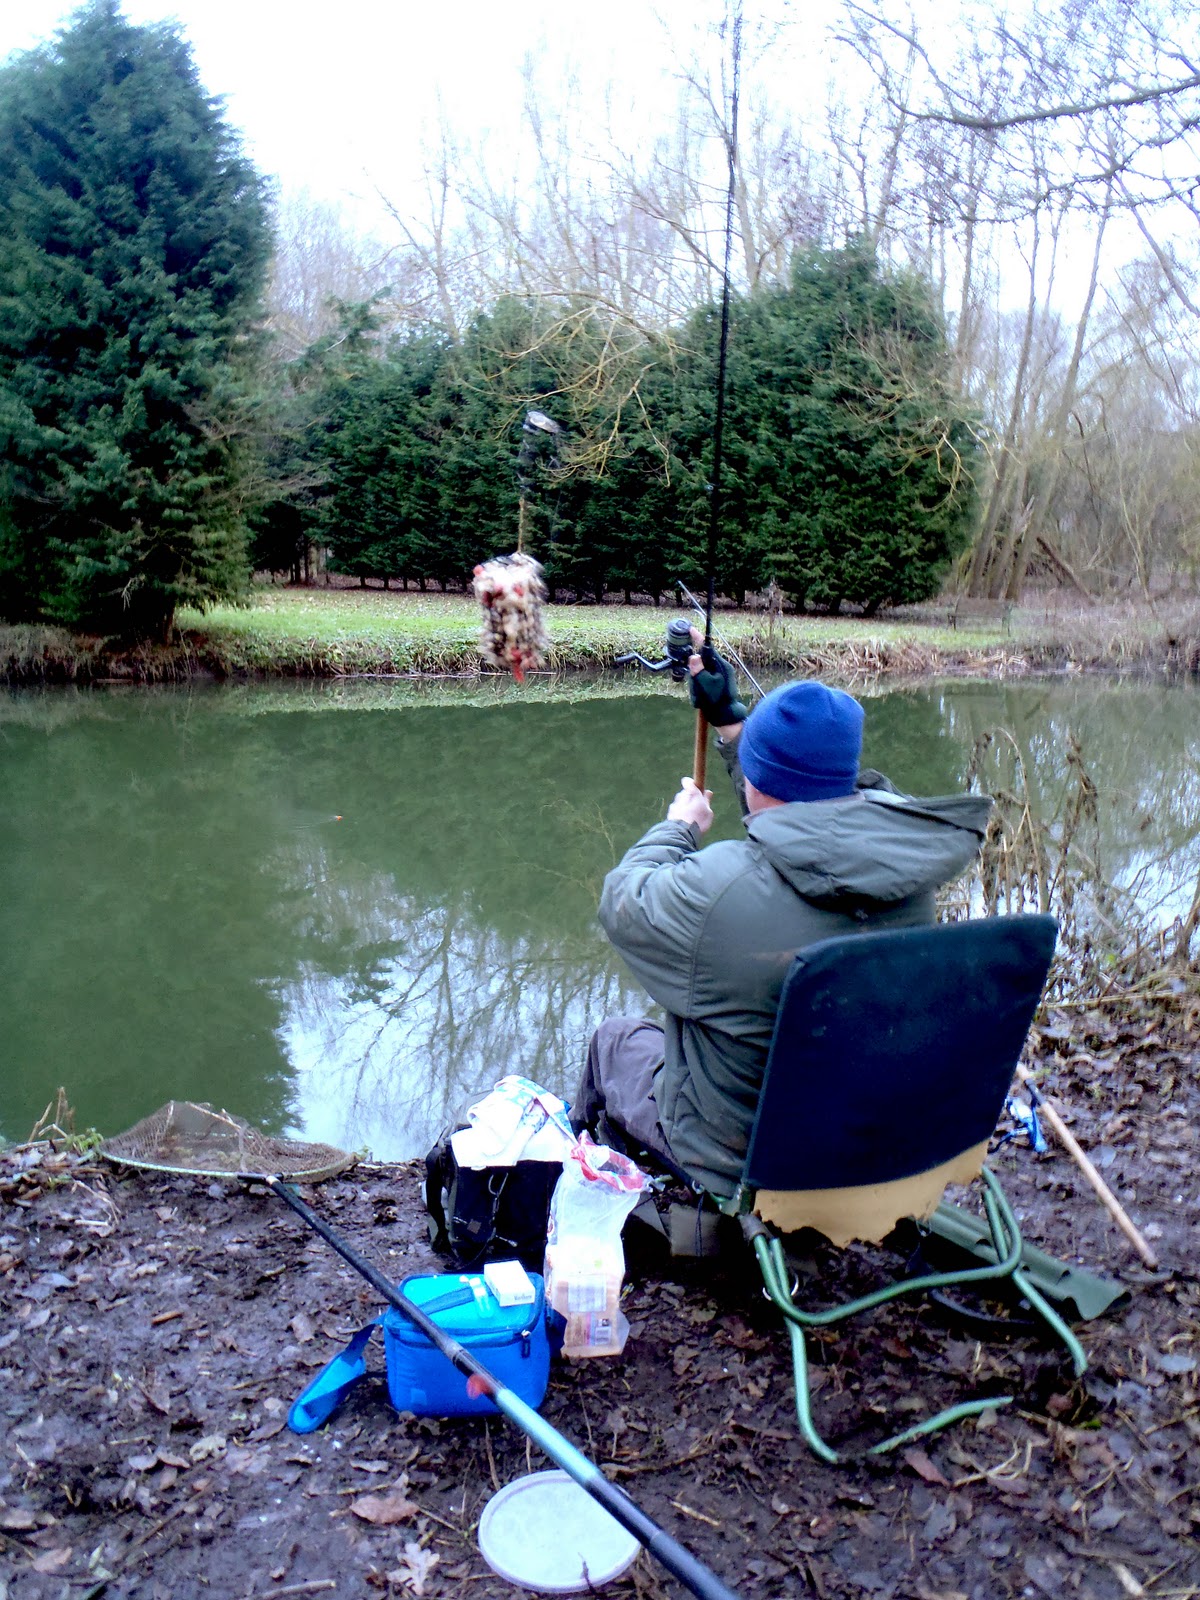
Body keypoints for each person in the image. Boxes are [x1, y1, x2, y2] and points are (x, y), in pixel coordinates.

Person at [574, 628, 993, 1197]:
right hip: (868, 1135)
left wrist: (678, 829)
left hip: (742, 1155)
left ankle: (597, 1189)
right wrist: (732, 727)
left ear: (759, 781)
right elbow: (798, 825)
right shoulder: (906, 870)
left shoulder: (718, 893)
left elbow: (623, 900)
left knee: (616, 1040)